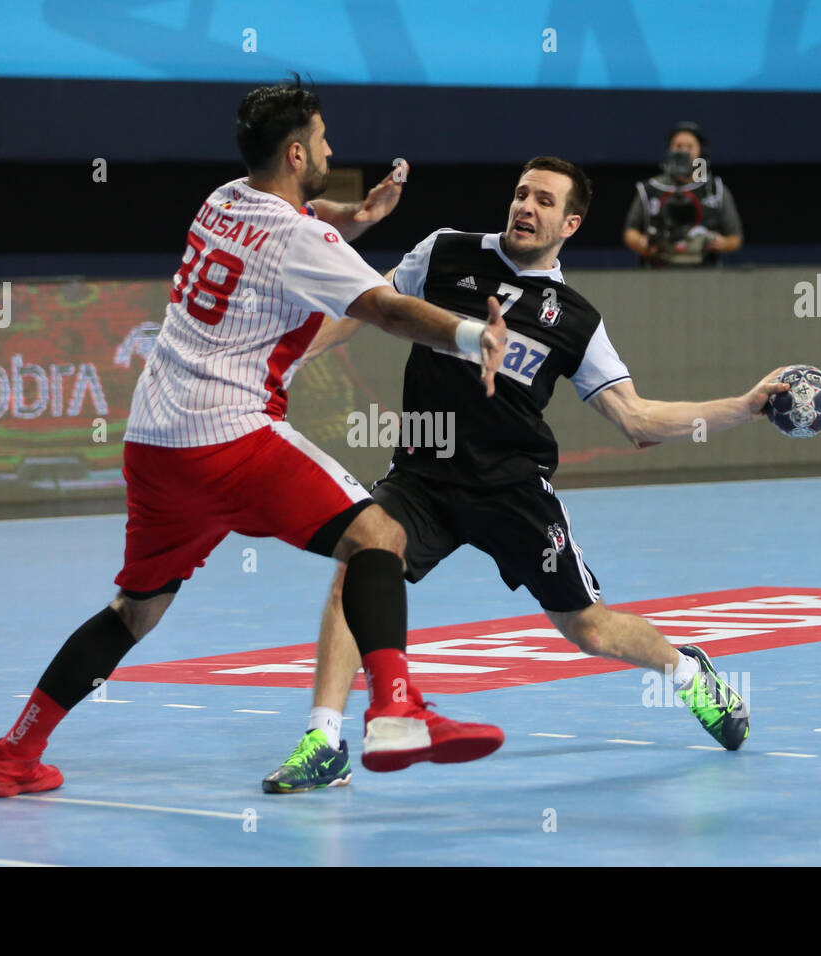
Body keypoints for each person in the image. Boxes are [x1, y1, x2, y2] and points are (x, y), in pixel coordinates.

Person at [0, 77, 510, 798]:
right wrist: (472, 333)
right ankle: (395, 708)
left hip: (155, 442)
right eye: (321, 139)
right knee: (379, 538)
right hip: (228, 436)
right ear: (295, 152)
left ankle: (12, 753)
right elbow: (384, 309)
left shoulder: (221, 200)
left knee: (136, 608)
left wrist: (353, 216)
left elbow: (302, 228)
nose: (330, 146)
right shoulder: (300, 237)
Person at [262, 156, 788, 794]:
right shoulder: (445, 251)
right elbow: (362, 308)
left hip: (512, 489)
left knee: (587, 627)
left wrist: (746, 406)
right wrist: (279, 362)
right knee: (358, 567)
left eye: (543, 200)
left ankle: (686, 671)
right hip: (422, 478)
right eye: (520, 194)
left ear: (571, 221)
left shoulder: (576, 320)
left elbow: (638, 419)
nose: (525, 207)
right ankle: (325, 739)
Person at [622, 122, 743, 267]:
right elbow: (630, 232)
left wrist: (720, 243)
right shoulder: (649, 189)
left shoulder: (716, 190)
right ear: (669, 150)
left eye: (690, 147)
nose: (683, 151)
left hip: (705, 271)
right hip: (658, 270)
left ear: (700, 152)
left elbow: (735, 238)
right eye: (678, 146)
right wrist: (642, 243)